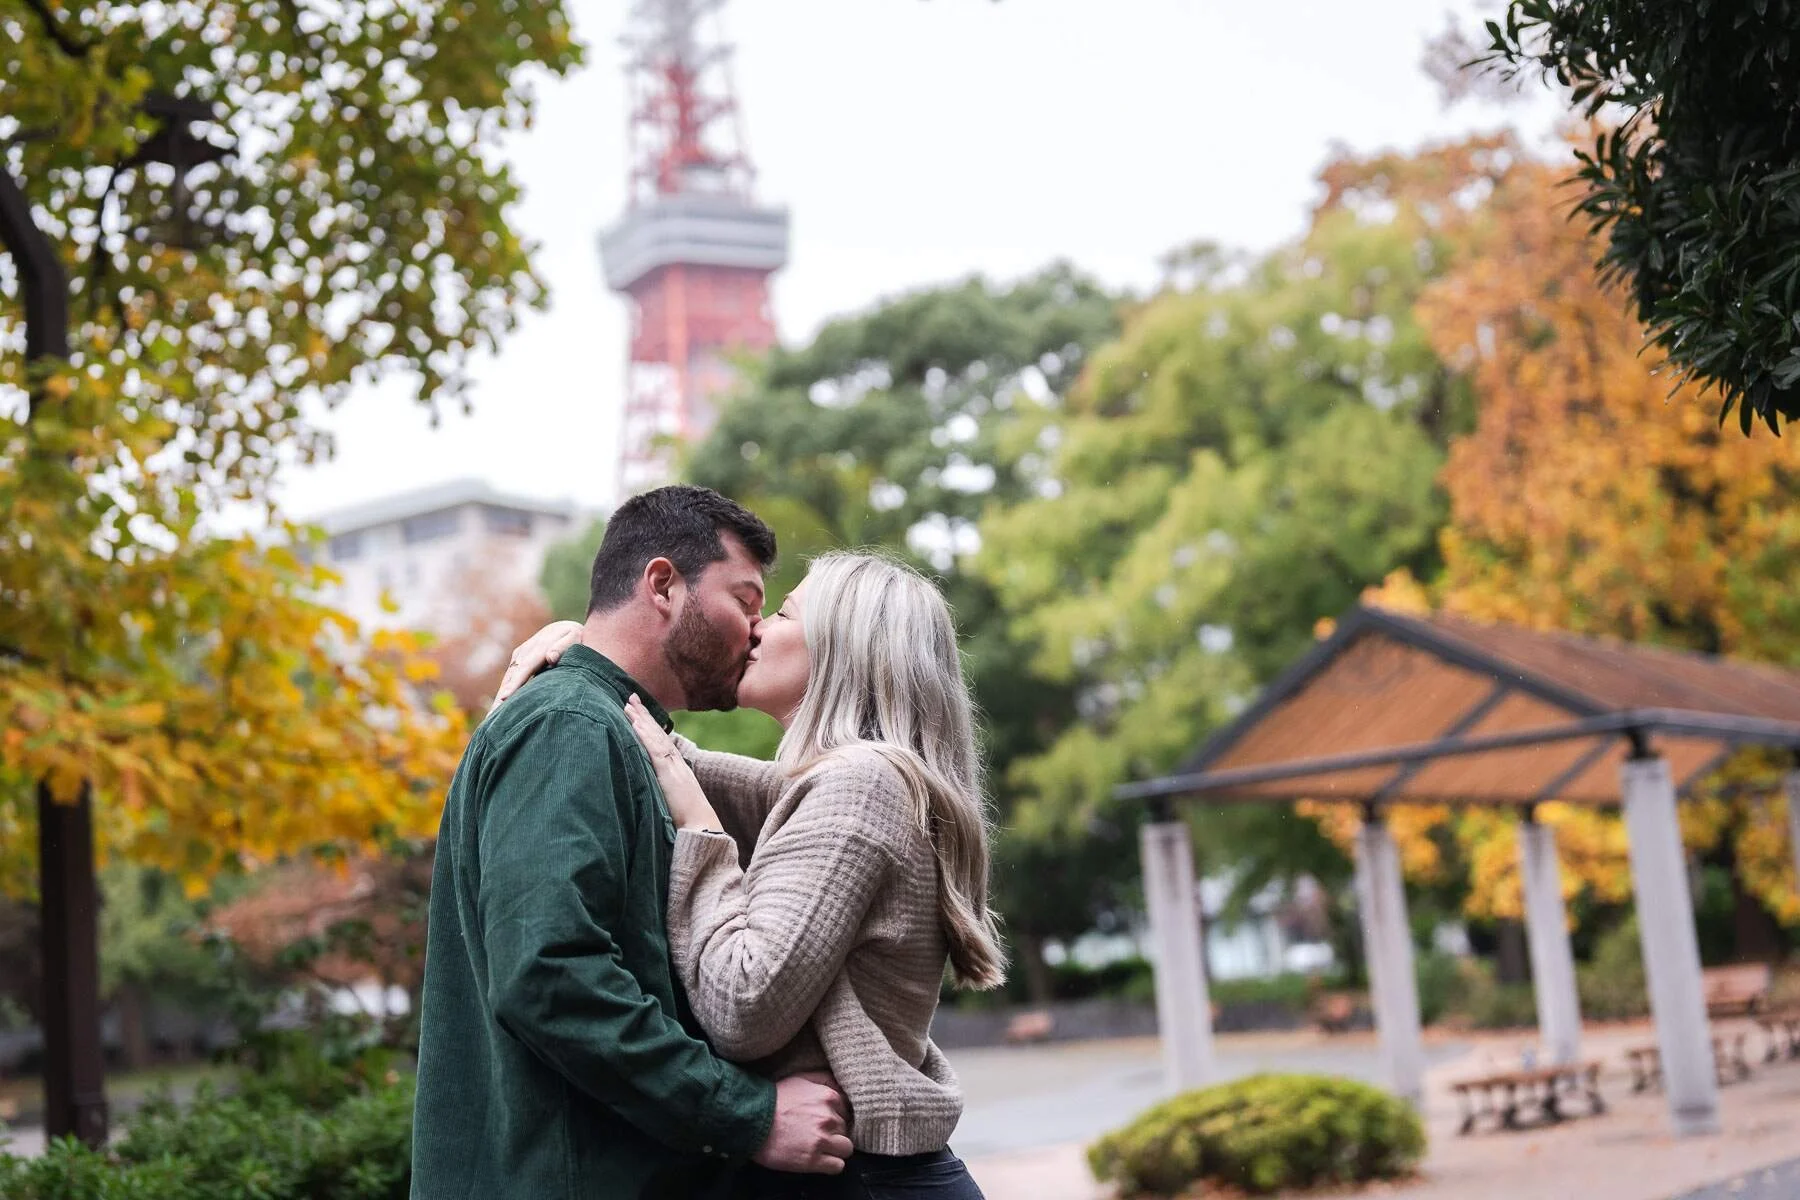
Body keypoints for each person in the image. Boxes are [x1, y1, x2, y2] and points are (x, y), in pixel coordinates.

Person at [498, 550, 1005, 1199]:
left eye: (784, 613)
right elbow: (667, 755)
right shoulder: (839, 787)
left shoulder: (862, 787)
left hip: (862, 1179)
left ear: (843, 649)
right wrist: (593, 656)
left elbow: (743, 1004)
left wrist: (701, 834)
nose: (755, 628)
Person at [411, 485, 853, 1200]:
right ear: (662, 585)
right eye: (744, 600)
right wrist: (749, 1116)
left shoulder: (611, 731)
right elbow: (551, 975)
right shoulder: (569, 727)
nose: (755, 628)